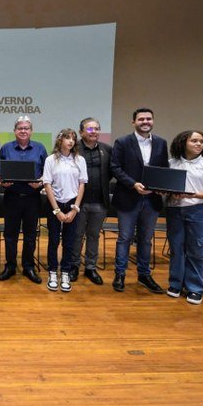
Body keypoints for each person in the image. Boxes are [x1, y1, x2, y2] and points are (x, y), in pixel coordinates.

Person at [109, 108, 169, 294]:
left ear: (153, 121)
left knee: (145, 239)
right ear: (133, 122)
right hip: (128, 198)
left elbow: (164, 169)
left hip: (152, 200)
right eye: (141, 119)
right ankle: (120, 274)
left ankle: (144, 274)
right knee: (125, 238)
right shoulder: (122, 142)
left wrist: (160, 186)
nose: (145, 122)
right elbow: (115, 168)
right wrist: (133, 184)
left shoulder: (161, 143)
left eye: (148, 119)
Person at [165, 130, 203, 305]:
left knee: (198, 250)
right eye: (194, 141)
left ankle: (195, 288)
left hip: (200, 210)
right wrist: (166, 192)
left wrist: (194, 194)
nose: (199, 144)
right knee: (176, 249)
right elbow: (166, 187)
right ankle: (175, 283)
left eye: (201, 142)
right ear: (183, 143)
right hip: (175, 210)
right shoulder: (171, 163)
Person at [0, 116, 48, 284]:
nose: (23, 131)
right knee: (10, 234)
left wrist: (40, 182)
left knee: (30, 235)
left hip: (33, 198)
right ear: (15, 131)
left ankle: (28, 267)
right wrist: (2, 180)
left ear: (31, 131)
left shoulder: (40, 148)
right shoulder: (6, 148)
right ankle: (10, 266)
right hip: (12, 197)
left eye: (26, 128)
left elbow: (47, 172)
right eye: (20, 128)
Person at [42, 128, 87, 292]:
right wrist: (57, 210)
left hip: (72, 204)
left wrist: (75, 209)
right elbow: (47, 184)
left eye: (73, 138)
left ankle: (66, 272)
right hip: (55, 204)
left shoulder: (80, 160)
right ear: (60, 140)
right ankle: (53, 271)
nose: (71, 141)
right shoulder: (51, 160)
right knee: (54, 240)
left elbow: (82, 184)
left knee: (69, 241)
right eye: (67, 138)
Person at [69, 118, 112, 285]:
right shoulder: (73, 149)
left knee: (94, 235)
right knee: (77, 235)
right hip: (78, 202)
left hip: (99, 202)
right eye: (89, 129)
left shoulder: (107, 150)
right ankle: (74, 265)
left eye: (96, 128)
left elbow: (111, 172)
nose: (93, 131)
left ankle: (90, 267)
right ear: (81, 132)